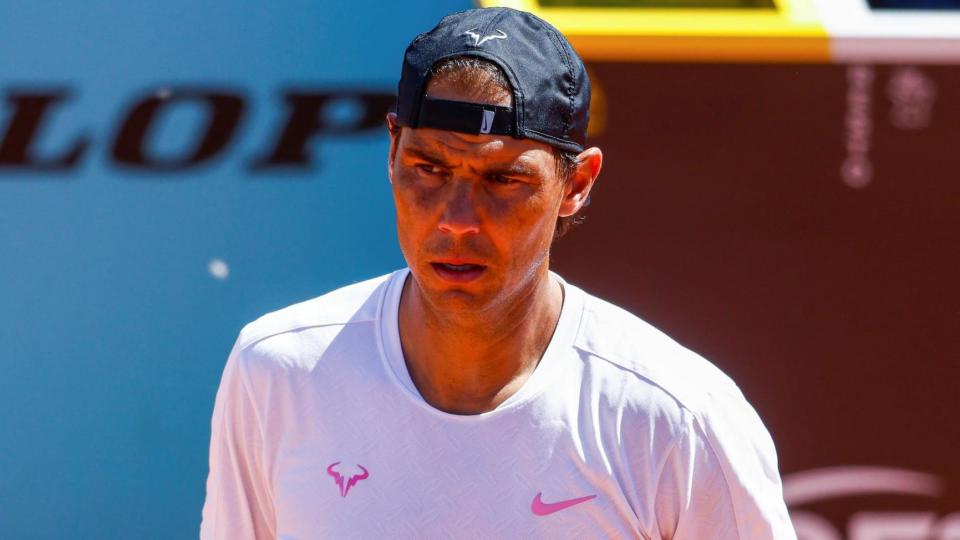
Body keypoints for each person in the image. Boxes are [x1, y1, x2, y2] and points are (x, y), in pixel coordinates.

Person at [200, 7, 796, 539]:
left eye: (504, 179)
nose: (457, 220)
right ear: (391, 152)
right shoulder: (276, 371)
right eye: (428, 168)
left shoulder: (679, 418)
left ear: (577, 185)